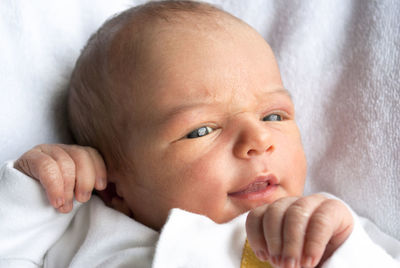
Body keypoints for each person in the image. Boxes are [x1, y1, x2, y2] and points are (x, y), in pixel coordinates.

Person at [1, 1, 399, 268]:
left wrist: (345, 249)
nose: (258, 141)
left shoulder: (319, 225)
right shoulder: (81, 229)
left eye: (274, 115)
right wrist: (34, 190)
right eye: (201, 130)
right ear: (114, 188)